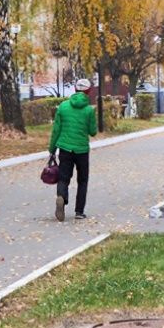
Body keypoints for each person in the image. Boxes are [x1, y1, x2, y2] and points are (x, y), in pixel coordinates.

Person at [49, 78, 99, 221]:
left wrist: (52, 148)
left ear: (75, 90)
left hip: (65, 148)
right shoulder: (89, 110)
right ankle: (79, 211)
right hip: (82, 150)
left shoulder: (63, 107)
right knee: (82, 180)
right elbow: (92, 131)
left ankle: (61, 197)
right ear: (88, 92)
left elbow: (56, 130)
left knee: (64, 177)